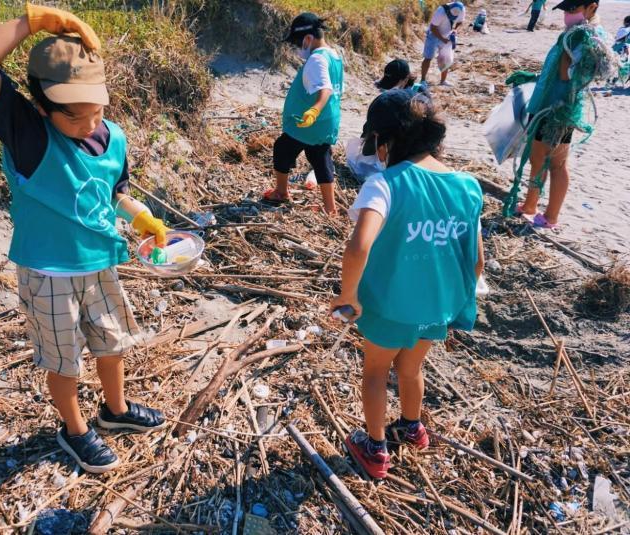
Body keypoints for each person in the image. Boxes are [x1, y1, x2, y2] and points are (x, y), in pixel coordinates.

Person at [0, 4, 167, 474]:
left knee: (112, 344)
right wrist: (34, 21)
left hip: (100, 264)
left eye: (97, 111)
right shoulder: (29, 137)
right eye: (74, 117)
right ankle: (75, 430)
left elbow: (114, 193)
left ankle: (115, 412)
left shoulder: (111, 137)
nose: (89, 125)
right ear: (41, 108)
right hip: (49, 271)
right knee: (65, 360)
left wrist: (142, 219)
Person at [330, 89, 485, 479]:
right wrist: (455, 297)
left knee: (376, 373)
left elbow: (358, 247)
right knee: (412, 367)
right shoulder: (467, 186)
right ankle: (413, 428)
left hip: (388, 306)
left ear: (385, 142)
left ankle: (375, 448)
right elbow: (477, 260)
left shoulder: (385, 185)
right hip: (437, 305)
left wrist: (348, 297)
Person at [507, 0, 616, 228]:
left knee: (541, 160)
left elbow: (567, 75)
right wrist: (535, 78)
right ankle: (544, 213)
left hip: (556, 109)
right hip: (559, 106)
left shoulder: (582, 36)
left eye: (573, 9)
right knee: (556, 162)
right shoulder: (581, 33)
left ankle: (535, 209)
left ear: (592, 7)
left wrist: (563, 56)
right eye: (566, 9)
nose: (567, 14)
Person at [262, 12, 344, 215]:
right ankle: (330, 207)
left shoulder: (316, 60)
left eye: (298, 43)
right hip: (328, 121)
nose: (298, 48)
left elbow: (325, 89)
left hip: (308, 122)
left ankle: (281, 192)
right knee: (321, 157)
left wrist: (314, 110)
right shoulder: (334, 55)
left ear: (308, 39)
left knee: (283, 148)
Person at [420, 1, 466, 87]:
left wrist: (455, 29)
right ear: (449, 9)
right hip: (433, 35)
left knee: (446, 58)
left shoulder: (462, 9)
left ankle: (443, 81)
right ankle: (422, 80)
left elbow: (460, 21)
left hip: (447, 34)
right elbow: (433, 28)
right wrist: (442, 39)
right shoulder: (441, 11)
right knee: (428, 57)